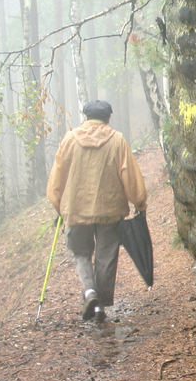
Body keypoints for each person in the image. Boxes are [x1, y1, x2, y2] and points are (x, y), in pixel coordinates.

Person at [46, 100, 147, 322]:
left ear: (86, 116)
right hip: (109, 210)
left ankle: (89, 291)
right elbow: (129, 175)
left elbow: (57, 179)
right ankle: (100, 307)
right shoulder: (117, 140)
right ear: (108, 118)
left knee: (81, 253)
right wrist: (140, 203)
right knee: (105, 258)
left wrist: (59, 207)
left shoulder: (70, 139)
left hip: (75, 208)